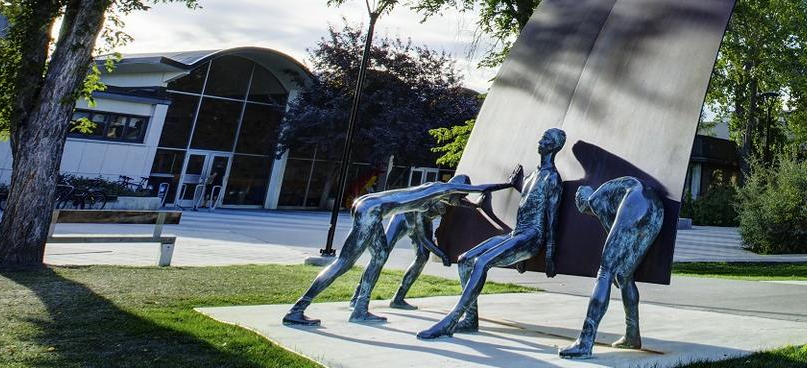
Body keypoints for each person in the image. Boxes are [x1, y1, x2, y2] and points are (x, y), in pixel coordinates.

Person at [282, 174, 508, 326]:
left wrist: (477, 204)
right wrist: (507, 184)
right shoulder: (439, 188)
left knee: (379, 257)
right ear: (455, 189)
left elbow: (458, 207)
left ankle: (360, 308)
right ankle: (297, 310)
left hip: (372, 209)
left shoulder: (428, 199)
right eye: (459, 195)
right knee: (344, 263)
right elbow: (478, 188)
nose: (458, 200)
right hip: (371, 210)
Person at [418, 127, 568, 340]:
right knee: (465, 260)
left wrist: (550, 254)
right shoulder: (533, 175)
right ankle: (470, 320)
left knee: (481, 262)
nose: (540, 141)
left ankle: (451, 319)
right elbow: (525, 206)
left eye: (545, 139)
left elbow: (552, 218)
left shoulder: (552, 178)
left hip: (532, 236)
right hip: (517, 234)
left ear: (553, 146)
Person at [558, 176, 665, 359]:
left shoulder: (594, 200)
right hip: (656, 209)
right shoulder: (613, 190)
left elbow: (612, 233)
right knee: (625, 275)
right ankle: (632, 335)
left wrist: (611, 265)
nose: (587, 212)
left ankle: (585, 342)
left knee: (605, 272)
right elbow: (619, 237)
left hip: (636, 203)